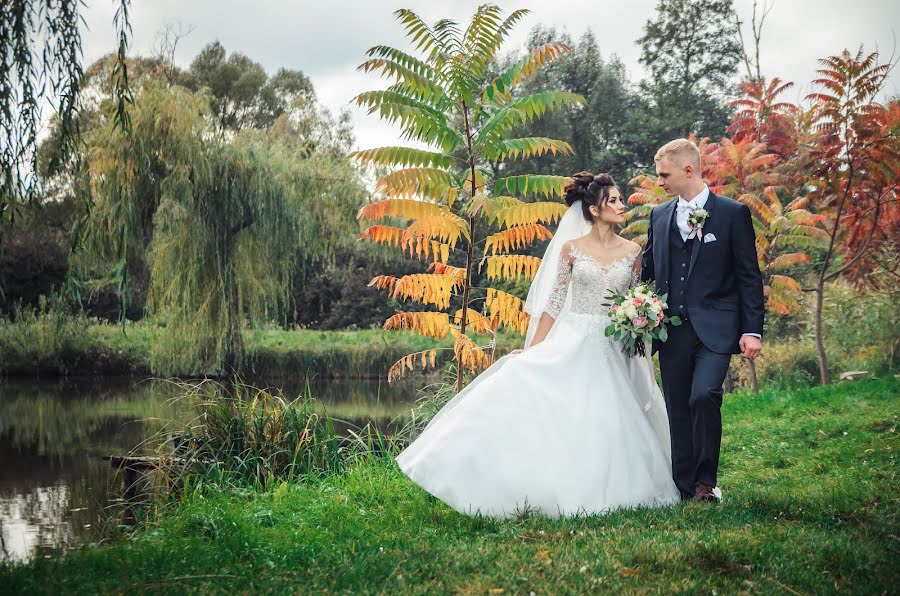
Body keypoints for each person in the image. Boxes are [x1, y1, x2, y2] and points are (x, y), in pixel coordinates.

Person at [395, 172, 680, 518]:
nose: (622, 206)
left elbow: (634, 298)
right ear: (593, 209)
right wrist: (533, 348)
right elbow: (554, 302)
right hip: (574, 338)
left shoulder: (634, 251)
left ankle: (613, 487)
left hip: (615, 341)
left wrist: (640, 322)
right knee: (556, 402)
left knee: (610, 414)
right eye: (614, 200)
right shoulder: (571, 249)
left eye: (621, 200)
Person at [642, 139, 765, 502]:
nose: (660, 181)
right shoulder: (659, 215)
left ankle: (705, 482)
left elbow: (748, 276)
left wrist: (751, 329)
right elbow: (649, 270)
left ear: (688, 169)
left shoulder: (732, 213)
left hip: (717, 329)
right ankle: (684, 487)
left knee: (704, 396)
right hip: (672, 330)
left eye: (664, 174)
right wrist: (636, 309)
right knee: (677, 408)